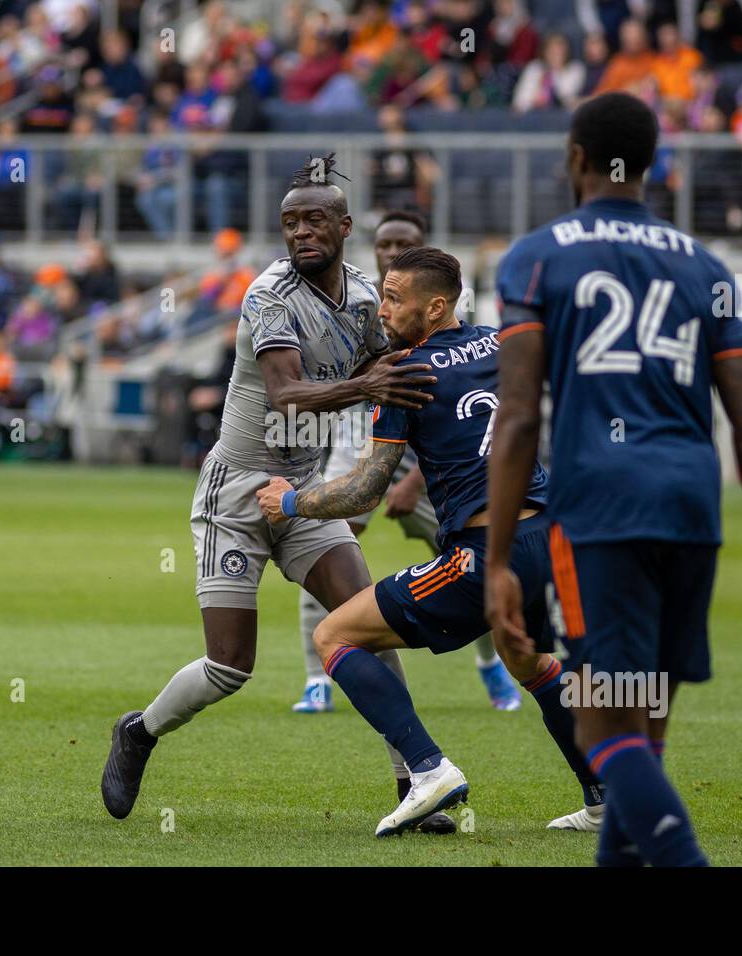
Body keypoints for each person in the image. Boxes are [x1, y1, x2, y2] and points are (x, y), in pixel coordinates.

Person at [485, 92, 742, 867]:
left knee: (601, 729)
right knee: (645, 729)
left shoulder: (536, 257)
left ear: (576, 159)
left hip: (601, 509)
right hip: (692, 504)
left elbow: (519, 417)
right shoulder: (708, 267)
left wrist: (495, 560)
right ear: (653, 165)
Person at [101, 156, 440, 825]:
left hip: (303, 490)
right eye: (290, 223)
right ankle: (137, 732)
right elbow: (287, 393)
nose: (301, 233)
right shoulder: (269, 296)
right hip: (237, 493)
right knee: (230, 668)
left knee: (370, 627)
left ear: (345, 227)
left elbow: (380, 361)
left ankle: (416, 782)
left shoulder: (368, 299)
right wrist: (366, 386)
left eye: (315, 220)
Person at [258, 246, 603, 837]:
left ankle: (427, 769)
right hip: (550, 537)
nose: (383, 311)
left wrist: (290, 502)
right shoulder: (500, 340)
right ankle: (605, 801)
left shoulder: (406, 374)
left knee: (334, 634)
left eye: (395, 299)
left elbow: (366, 490)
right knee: (529, 658)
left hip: (482, 551)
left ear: (436, 306)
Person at [292, 209, 524, 723]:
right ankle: (315, 679)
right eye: (385, 244)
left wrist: (411, 481)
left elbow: (465, 420)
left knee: (467, 560)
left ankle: (490, 667)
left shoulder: (428, 312)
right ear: (372, 249)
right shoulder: (357, 304)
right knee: (328, 548)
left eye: (404, 244)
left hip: (429, 462)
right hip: (365, 445)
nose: (391, 253)